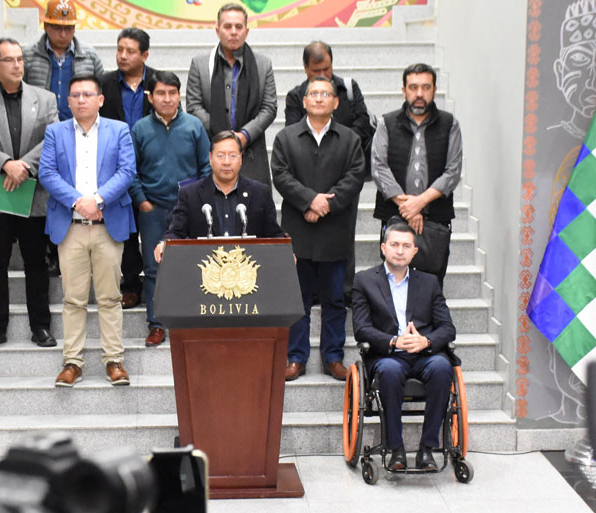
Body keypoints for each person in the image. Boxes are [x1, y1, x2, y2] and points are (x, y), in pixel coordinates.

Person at [0, 37, 59, 350]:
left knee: (36, 261)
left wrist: (23, 167)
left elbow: (52, 139)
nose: (17, 65)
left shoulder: (44, 98)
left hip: (32, 191)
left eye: (20, 59)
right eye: (10, 60)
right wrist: (5, 164)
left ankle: (41, 327)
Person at [40, 73, 137, 387]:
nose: (81, 100)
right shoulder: (55, 132)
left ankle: (114, 361)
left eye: (87, 94)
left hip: (108, 225)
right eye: (75, 95)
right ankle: (72, 362)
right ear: (67, 101)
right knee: (73, 299)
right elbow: (47, 173)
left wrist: (97, 199)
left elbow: (127, 171)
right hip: (71, 227)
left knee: (110, 297)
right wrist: (77, 202)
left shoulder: (119, 130)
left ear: (100, 100)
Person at [271, 76, 365, 382]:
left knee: (335, 298)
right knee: (296, 297)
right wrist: (309, 200)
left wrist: (326, 206)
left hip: (334, 230)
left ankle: (333, 357)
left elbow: (353, 178)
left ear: (336, 102)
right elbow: (281, 176)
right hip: (298, 229)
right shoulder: (286, 138)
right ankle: (296, 357)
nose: (320, 98)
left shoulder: (350, 139)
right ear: (304, 100)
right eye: (314, 93)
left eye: (326, 94)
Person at [350, 223, 456, 472]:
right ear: (383, 248)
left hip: (424, 355)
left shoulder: (429, 283)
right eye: (395, 245)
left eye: (406, 246)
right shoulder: (364, 281)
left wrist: (426, 341)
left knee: (443, 367)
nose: (400, 251)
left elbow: (447, 328)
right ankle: (395, 448)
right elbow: (361, 329)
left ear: (414, 252)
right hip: (388, 355)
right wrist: (394, 341)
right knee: (389, 371)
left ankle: (427, 449)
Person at [129, 70, 210, 347]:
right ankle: (156, 323)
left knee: (191, 266)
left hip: (186, 209)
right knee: (153, 268)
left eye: (172, 93)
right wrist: (142, 200)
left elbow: (205, 168)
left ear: (179, 95)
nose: (167, 98)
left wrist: (196, 201)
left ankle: (188, 319)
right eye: (160, 93)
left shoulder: (194, 126)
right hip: (152, 210)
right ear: (151, 97)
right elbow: (131, 170)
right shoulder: (140, 129)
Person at [371, 63, 463, 288]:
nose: (419, 94)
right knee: (393, 285)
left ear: (434, 89)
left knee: (432, 285)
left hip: (436, 222)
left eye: (425, 87)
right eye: (413, 87)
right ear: (404, 90)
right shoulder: (387, 123)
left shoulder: (449, 124)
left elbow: (453, 171)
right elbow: (379, 168)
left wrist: (420, 202)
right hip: (394, 217)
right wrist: (408, 207)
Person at [185, 2, 276, 188]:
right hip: (212, 152)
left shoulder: (263, 64)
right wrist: (224, 137)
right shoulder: (201, 64)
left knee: (253, 212)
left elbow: (269, 108)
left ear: (247, 31)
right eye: (227, 26)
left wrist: (243, 136)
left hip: (250, 154)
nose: (233, 31)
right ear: (218, 31)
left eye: (238, 27)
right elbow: (194, 106)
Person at [99, 27, 157, 312]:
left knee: (155, 229)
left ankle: (159, 287)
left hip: (151, 169)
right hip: (116, 170)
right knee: (126, 231)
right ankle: (131, 286)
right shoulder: (105, 84)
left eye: (130, 51)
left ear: (144, 54)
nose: (122, 56)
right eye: (119, 49)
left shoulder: (158, 82)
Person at [156, 131, 284, 259]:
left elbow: (274, 234)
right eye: (220, 155)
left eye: (233, 155)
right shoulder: (189, 194)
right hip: (204, 271)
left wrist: (285, 251)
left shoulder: (260, 192)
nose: (226, 162)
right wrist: (164, 244)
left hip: (248, 273)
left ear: (241, 158)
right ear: (210, 158)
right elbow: (176, 233)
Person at [283, 42, 374, 169]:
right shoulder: (295, 97)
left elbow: (362, 123)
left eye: (326, 69)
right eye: (316, 71)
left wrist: (339, 146)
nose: (322, 75)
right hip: (309, 165)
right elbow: (292, 134)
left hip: (346, 162)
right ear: (305, 68)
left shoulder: (348, 89)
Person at [23, 0, 105, 122]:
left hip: (80, 125)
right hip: (39, 126)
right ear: (46, 26)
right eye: (57, 28)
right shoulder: (28, 55)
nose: (63, 34)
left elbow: (101, 90)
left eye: (68, 28)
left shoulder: (89, 56)